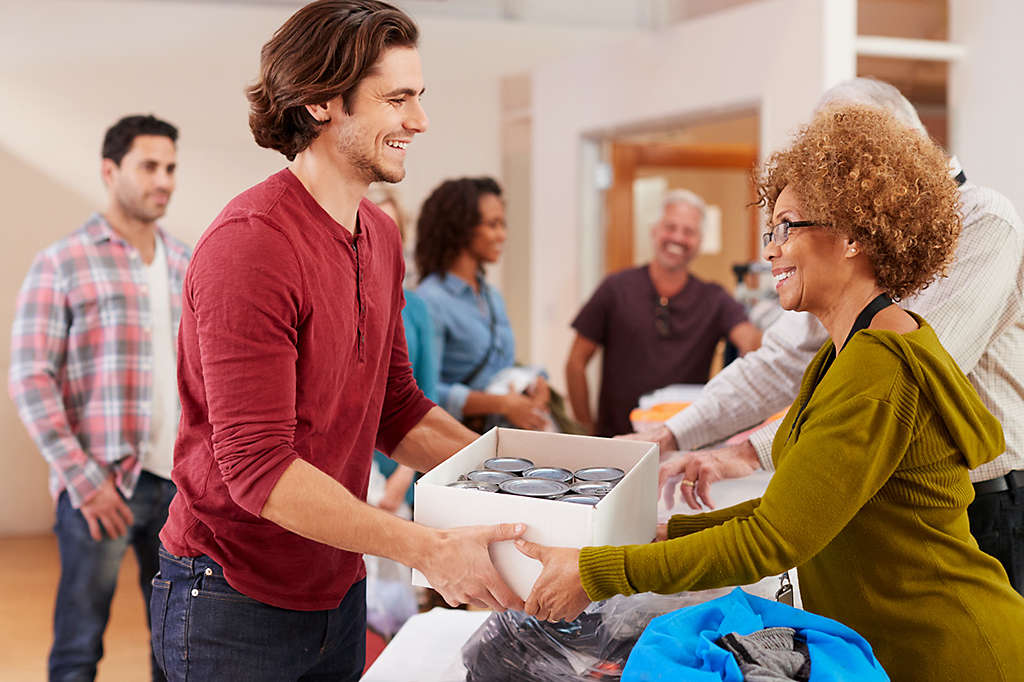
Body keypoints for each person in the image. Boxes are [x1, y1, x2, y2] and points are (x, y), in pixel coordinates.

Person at [517, 105, 1024, 681]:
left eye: (788, 227)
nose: (771, 250)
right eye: (771, 230)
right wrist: (658, 534)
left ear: (854, 234)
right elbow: (796, 509)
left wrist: (598, 574)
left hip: (953, 652)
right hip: (907, 646)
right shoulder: (849, 351)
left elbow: (770, 540)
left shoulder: (877, 369)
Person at [153, 3, 522, 680]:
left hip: (336, 582)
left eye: (419, 98)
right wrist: (427, 548)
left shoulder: (379, 239)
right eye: (397, 99)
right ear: (323, 102)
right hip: (231, 597)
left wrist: (526, 474)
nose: (420, 120)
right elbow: (259, 468)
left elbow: (398, 410)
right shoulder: (252, 245)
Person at [630, 78, 1024, 594]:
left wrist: (751, 453)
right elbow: (782, 360)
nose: (775, 249)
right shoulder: (842, 252)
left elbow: (902, 380)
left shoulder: (984, 220)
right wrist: (672, 436)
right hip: (887, 496)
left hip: (984, 499)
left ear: (896, 144)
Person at [8, 114, 187, 682]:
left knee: (175, 645)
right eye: (150, 167)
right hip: (100, 488)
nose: (164, 180)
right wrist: (84, 482)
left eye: (172, 168)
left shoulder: (187, 261)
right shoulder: (62, 261)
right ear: (110, 171)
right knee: (79, 646)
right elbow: (30, 378)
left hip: (179, 487)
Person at [567, 189, 762, 437]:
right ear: (655, 231)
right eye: (671, 227)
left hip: (684, 443)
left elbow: (751, 343)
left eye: (689, 231)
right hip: (618, 442)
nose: (678, 238)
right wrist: (585, 431)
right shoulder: (616, 288)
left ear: (699, 242)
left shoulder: (715, 298)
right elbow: (575, 362)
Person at [415, 176, 551, 431]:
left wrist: (534, 386)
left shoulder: (492, 296)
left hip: (502, 437)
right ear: (461, 227)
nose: (503, 234)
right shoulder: (430, 300)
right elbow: (423, 391)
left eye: (503, 224)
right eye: (493, 224)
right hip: (459, 440)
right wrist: (501, 404)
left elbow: (502, 369)